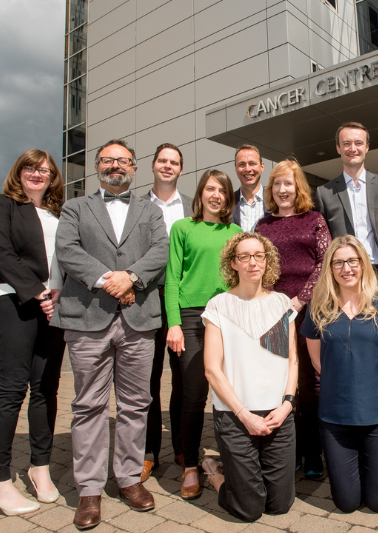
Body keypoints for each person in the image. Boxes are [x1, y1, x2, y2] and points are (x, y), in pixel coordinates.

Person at [53, 139, 168, 529]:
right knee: (89, 406)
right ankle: (88, 489)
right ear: (97, 166)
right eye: (107, 160)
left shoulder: (151, 211)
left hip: (138, 319)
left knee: (136, 404)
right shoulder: (75, 207)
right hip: (87, 319)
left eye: (122, 160)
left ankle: (129, 478)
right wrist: (108, 280)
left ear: (135, 168)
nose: (115, 165)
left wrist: (130, 276)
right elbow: (67, 250)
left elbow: (160, 251)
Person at [314, 121, 378, 467]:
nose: (353, 148)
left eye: (358, 143)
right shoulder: (325, 193)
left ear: (367, 146)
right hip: (345, 277)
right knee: (352, 352)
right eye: (346, 143)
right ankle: (355, 429)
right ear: (338, 148)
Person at [0, 150, 66, 516]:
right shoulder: (1, 205)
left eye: (44, 169)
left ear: (52, 177)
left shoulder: (58, 214)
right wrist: (38, 292)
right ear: (19, 172)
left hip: (54, 307)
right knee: (12, 388)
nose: (37, 173)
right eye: (30, 168)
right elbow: (0, 253)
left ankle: (39, 468)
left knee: (46, 388)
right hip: (12, 301)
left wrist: (60, 293)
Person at [301, 236, 378, 513]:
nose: (346, 268)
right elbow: (315, 357)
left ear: (363, 263)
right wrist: (342, 381)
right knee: (347, 503)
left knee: (377, 502)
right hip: (336, 414)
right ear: (330, 268)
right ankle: (369, 466)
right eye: (338, 263)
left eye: (352, 261)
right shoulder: (318, 306)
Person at [200, 232, 298, 522]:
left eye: (259, 255)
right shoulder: (218, 306)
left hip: (278, 414)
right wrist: (244, 415)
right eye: (244, 256)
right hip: (234, 415)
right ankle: (215, 476)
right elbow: (212, 370)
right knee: (249, 510)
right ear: (233, 264)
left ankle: (244, 478)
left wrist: (287, 405)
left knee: (280, 505)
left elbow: (293, 361)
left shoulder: (282, 304)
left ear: (267, 261)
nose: (253, 262)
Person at [164, 169, 241, 500]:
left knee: (227, 392)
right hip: (191, 317)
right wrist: (173, 323)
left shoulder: (236, 231)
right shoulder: (183, 227)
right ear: (201, 193)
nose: (216, 195)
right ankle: (191, 466)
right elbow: (171, 278)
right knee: (194, 395)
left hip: (227, 316)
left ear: (227, 197)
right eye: (210, 189)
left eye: (222, 190)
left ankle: (232, 460)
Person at [255, 159, 331, 479]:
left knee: (311, 384)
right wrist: (274, 300)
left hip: (310, 310)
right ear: (271, 189)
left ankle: (313, 453)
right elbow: (256, 264)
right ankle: (288, 450)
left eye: (289, 183)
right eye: (277, 184)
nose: (283, 190)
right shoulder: (263, 226)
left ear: (298, 187)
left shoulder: (314, 219)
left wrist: (299, 300)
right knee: (278, 383)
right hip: (274, 312)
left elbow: (324, 261)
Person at [140, 143, 194, 482]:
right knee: (146, 379)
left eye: (174, 162)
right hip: (145, 299)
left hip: (181, 302)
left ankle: (181, 445)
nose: (168, 166)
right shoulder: (135, 205)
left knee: (184, 378)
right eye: (162, 160)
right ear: (153, 165)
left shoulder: (191, 207)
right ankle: (147, 451)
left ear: (180, 169)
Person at [233, 144, 271, 231]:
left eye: (252, 163)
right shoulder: (227, 203)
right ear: (236, 169)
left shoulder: (275, 201)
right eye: (242, 164)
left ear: (262, 167)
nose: (247, 169)